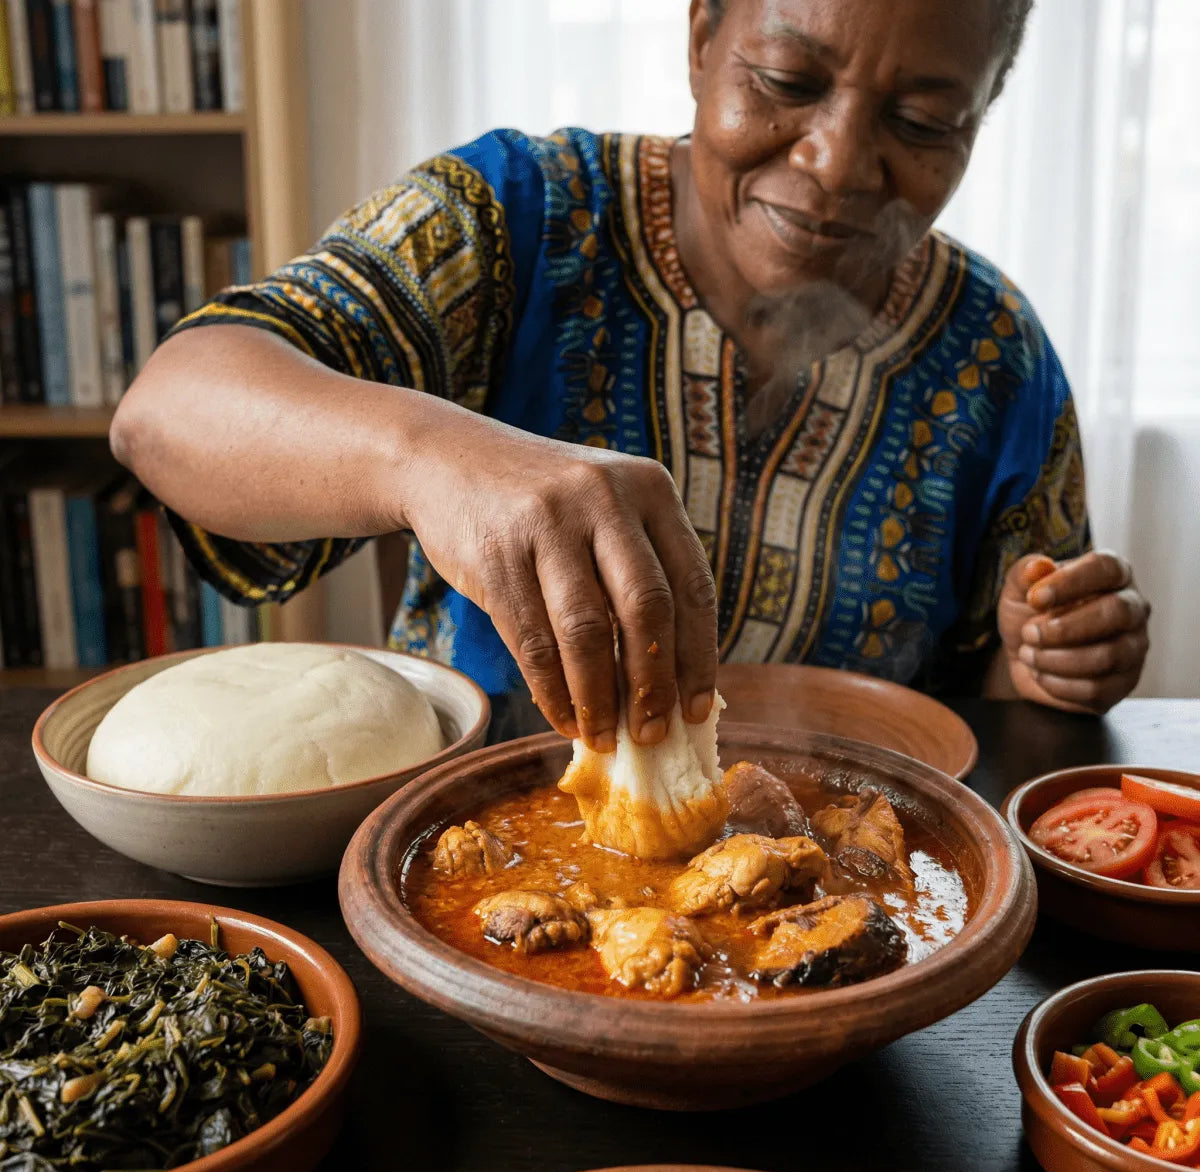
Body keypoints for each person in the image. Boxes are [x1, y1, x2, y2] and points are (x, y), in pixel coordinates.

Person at [110, 0, 1151, 753]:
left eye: (923, 123)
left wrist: (1050, 662)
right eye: (788, 84)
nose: (838, 162)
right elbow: (170, 409)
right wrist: (430, 456)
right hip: (480, 835)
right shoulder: (514, 217)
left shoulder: (997, 353)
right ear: (702, 37)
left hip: (852, 894)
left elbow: (1003, 713)